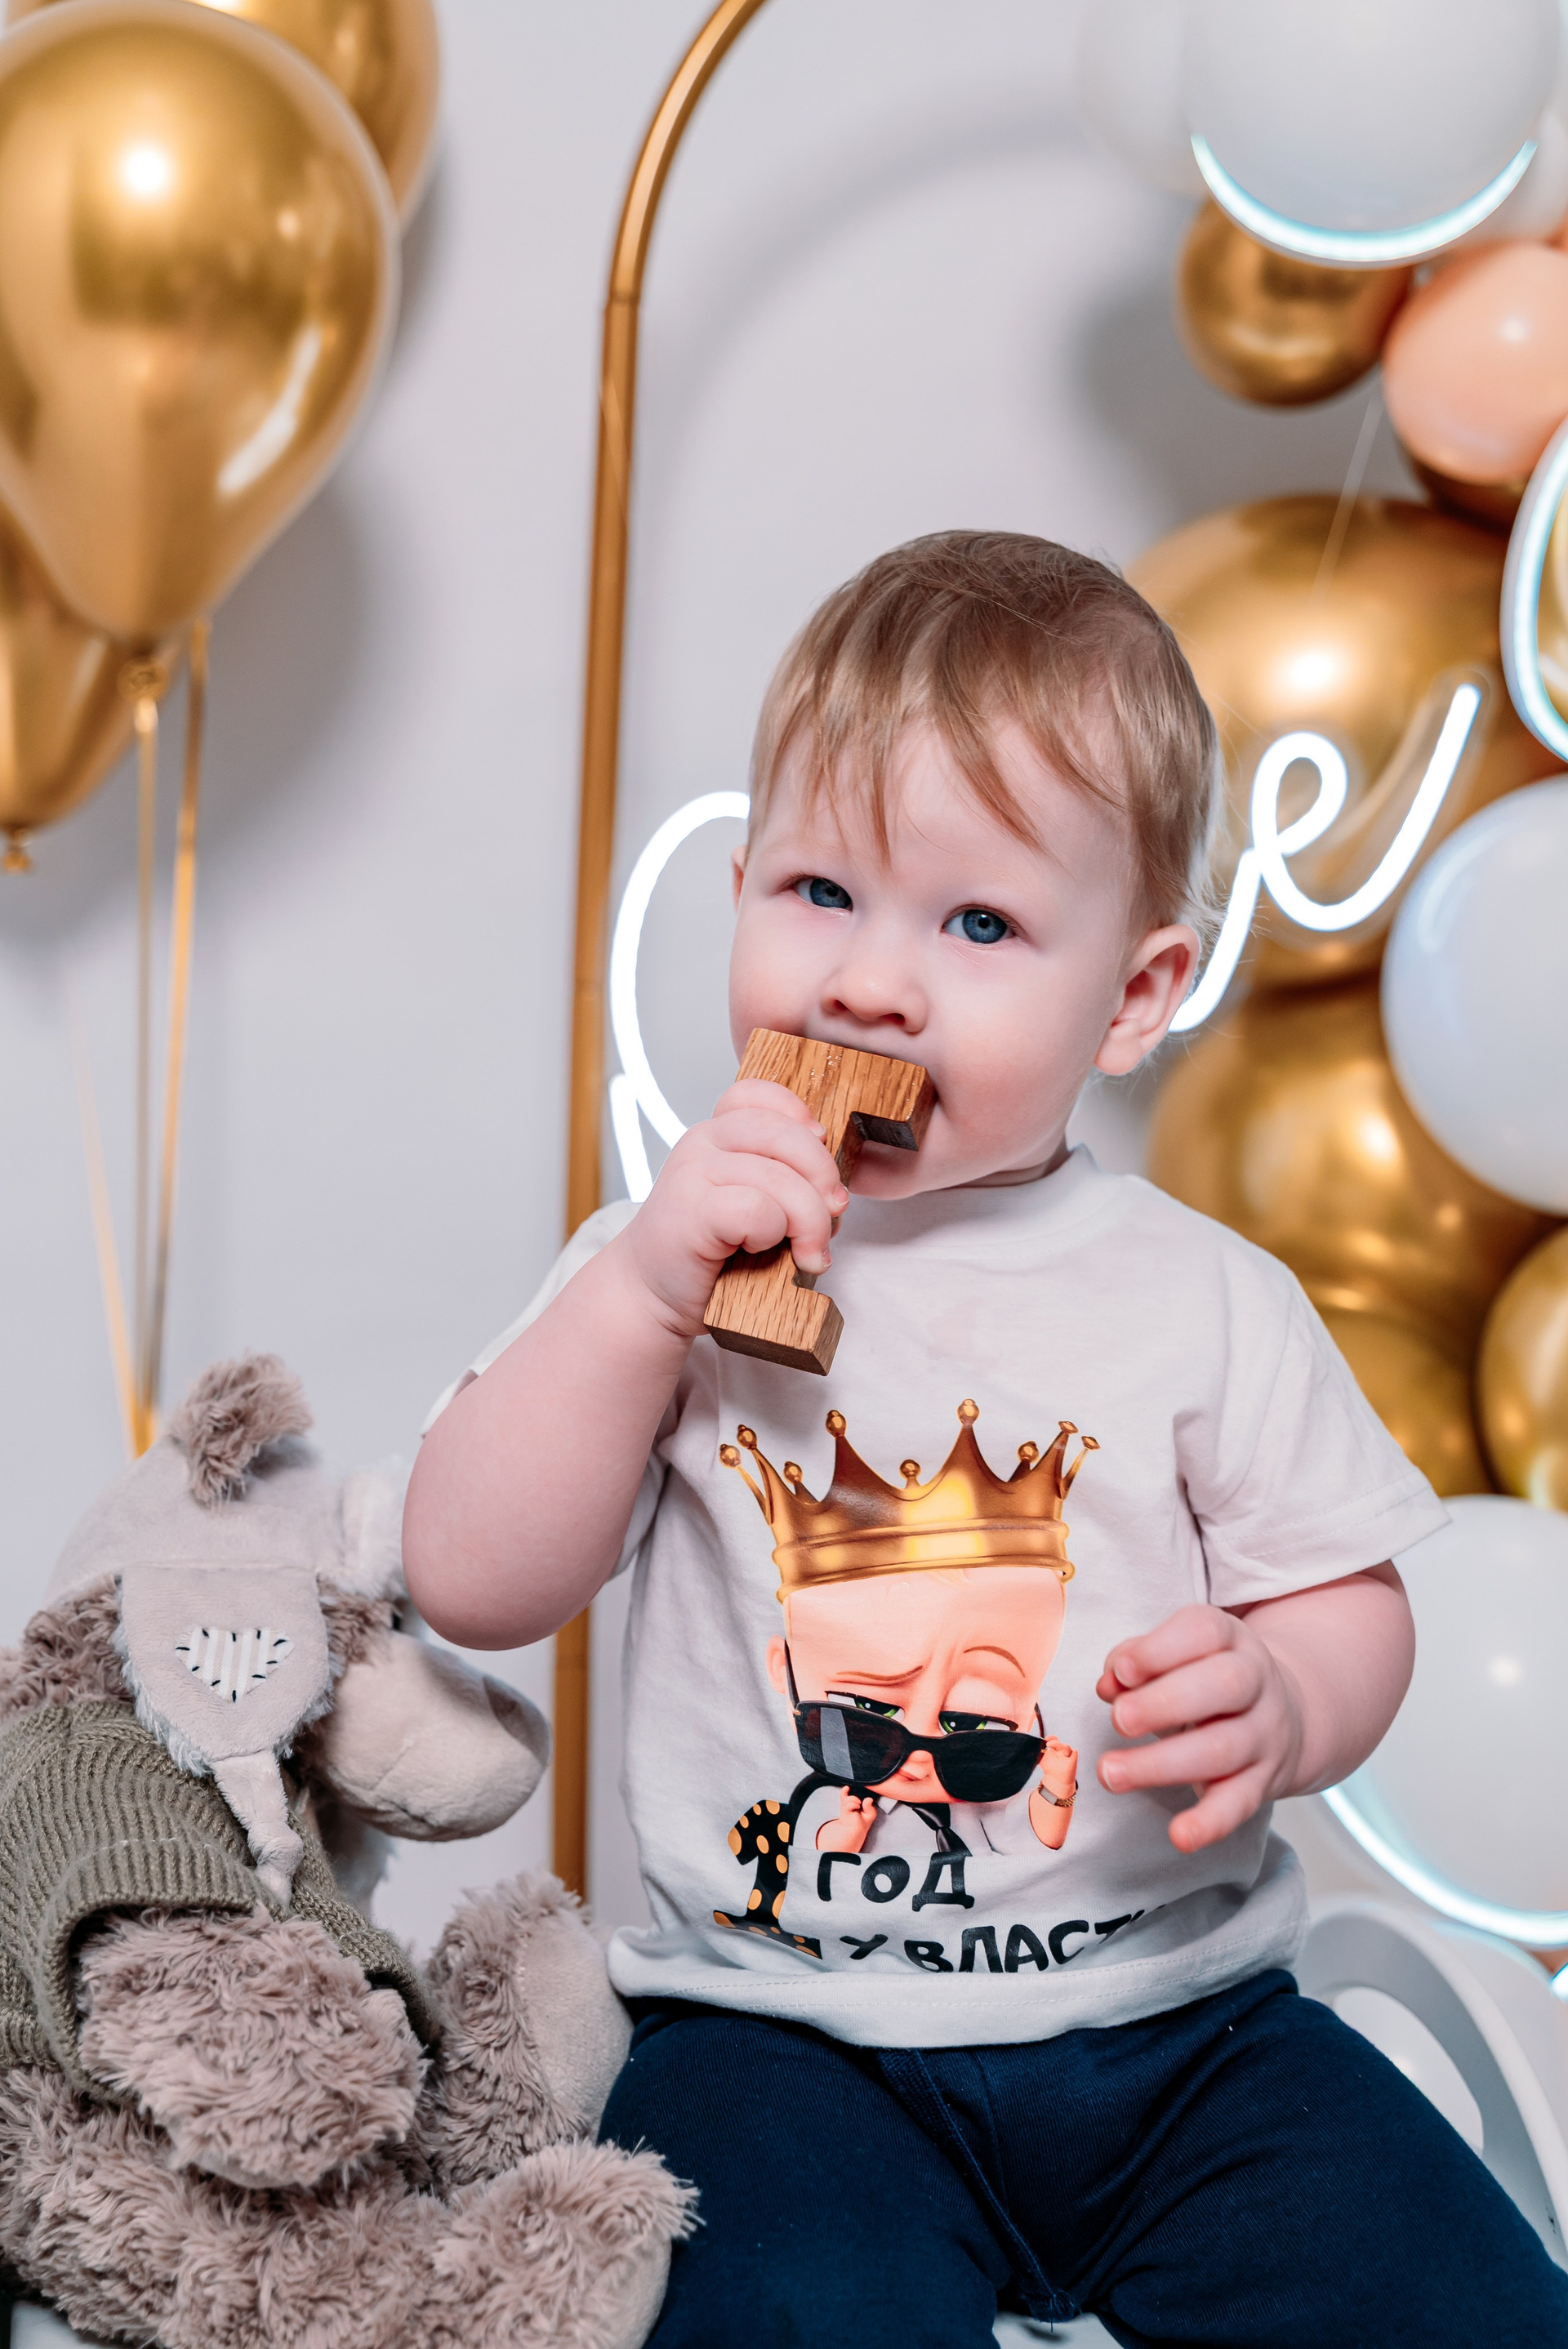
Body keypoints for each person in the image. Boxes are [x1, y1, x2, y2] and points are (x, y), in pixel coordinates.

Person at [404, 532, 1568, 2346]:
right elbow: (470, 1579)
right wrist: (636, 1300)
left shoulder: (1201, 1296)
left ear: (1133, 995)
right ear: (737, 888)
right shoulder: (663, 1268)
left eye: (976, 926)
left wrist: (1286, 1696)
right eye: (819, 890)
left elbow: (1347, 1596)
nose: (871, 985)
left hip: (1185, 2032)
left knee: (1459, 2296)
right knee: (784, 2301)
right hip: (784, 2037)